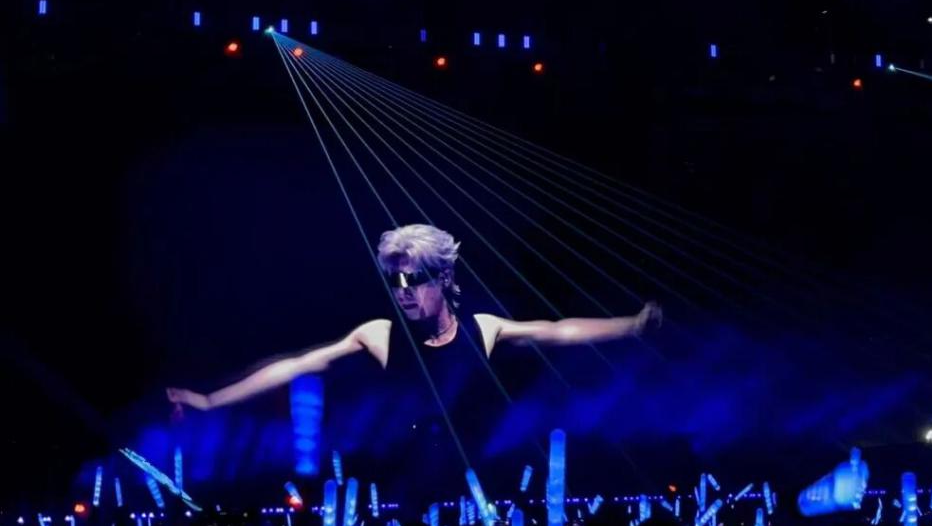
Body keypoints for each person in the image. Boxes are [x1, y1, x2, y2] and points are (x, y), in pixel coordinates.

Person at [167, 223, 661, 414]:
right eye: (394, 282)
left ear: (443, 278)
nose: (403, 291)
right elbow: (294, 367)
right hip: (398, 477)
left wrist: (632, 326)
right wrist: (210, 400)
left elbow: (558, 331)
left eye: (414, 279)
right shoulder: (378, 335)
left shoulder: (483, 329)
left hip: (472, 474)